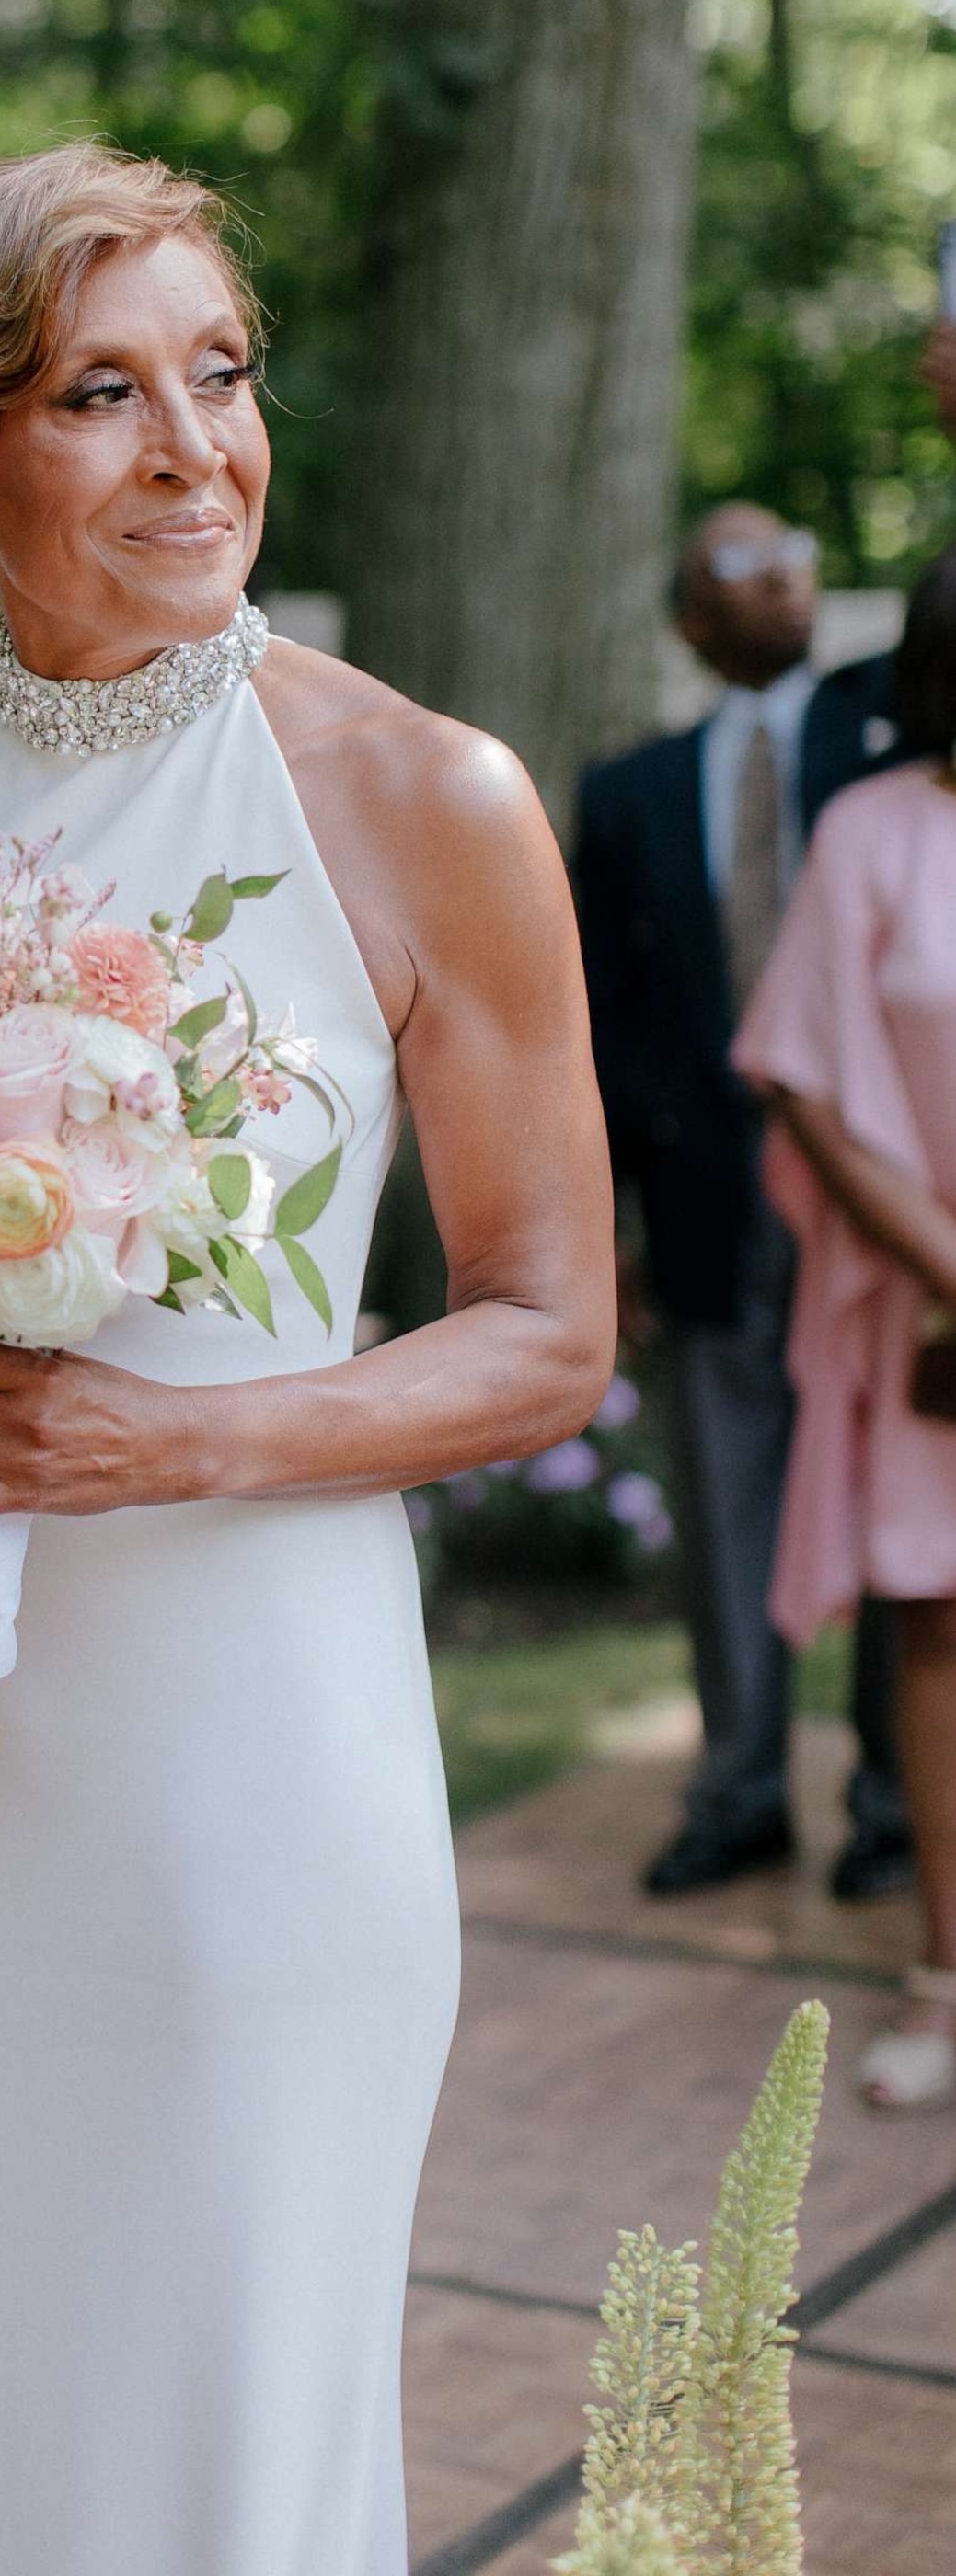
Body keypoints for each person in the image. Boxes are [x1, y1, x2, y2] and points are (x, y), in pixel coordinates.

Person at [0, 143, 615, 2574]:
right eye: (97, 397)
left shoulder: (424, 801)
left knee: (237, 2407)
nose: (195, 452)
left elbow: (553, 1336)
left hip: (241, 1744)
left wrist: (180, 1435)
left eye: (218, 377)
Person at [575, 503, 917, 1900]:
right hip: (710, 1198)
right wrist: (604, 1224)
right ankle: (742, 1789)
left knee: (902, 1481)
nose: (781, 576)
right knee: (726, 1499)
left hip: (882, 1194)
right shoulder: (630, 788)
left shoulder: (882, 738)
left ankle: (899, 1801)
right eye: (738, 562)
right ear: (686, 618)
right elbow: (593, 1024)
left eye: (795, 553)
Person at [734, 544, 956, 2109]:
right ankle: (943, 1983)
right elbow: (802, 1076)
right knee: (940, 1629)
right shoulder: (873, 832)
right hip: (930, 1296)